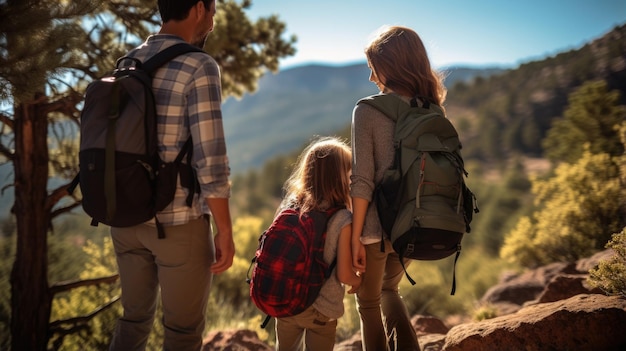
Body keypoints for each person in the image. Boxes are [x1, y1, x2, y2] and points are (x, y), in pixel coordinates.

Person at [108, 1, 235, 350]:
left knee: (132, 321)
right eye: (212, 10)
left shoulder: (128, 62)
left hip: (123, 214)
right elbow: (211, 158)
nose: (213, 19)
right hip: (177, 220)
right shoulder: (199, 65)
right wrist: (224, 229)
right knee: (181, 332)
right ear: (198, 8)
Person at [350, 25, 447, 351]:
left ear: (389, 66)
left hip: (378, 226)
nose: (371, 77)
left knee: (368, 302)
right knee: (390, 290)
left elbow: (362, 180)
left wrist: (355, 236)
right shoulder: (432, 110)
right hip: (420, 222)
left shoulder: (368, 109)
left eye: (373, 68)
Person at [275, 137, 362, 351]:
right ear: (339, 178)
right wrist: (358, 281)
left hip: (285, 303)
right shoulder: (342, 218)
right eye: (350, 173)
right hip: (321, 310)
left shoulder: (290, 207)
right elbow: (343, 274)